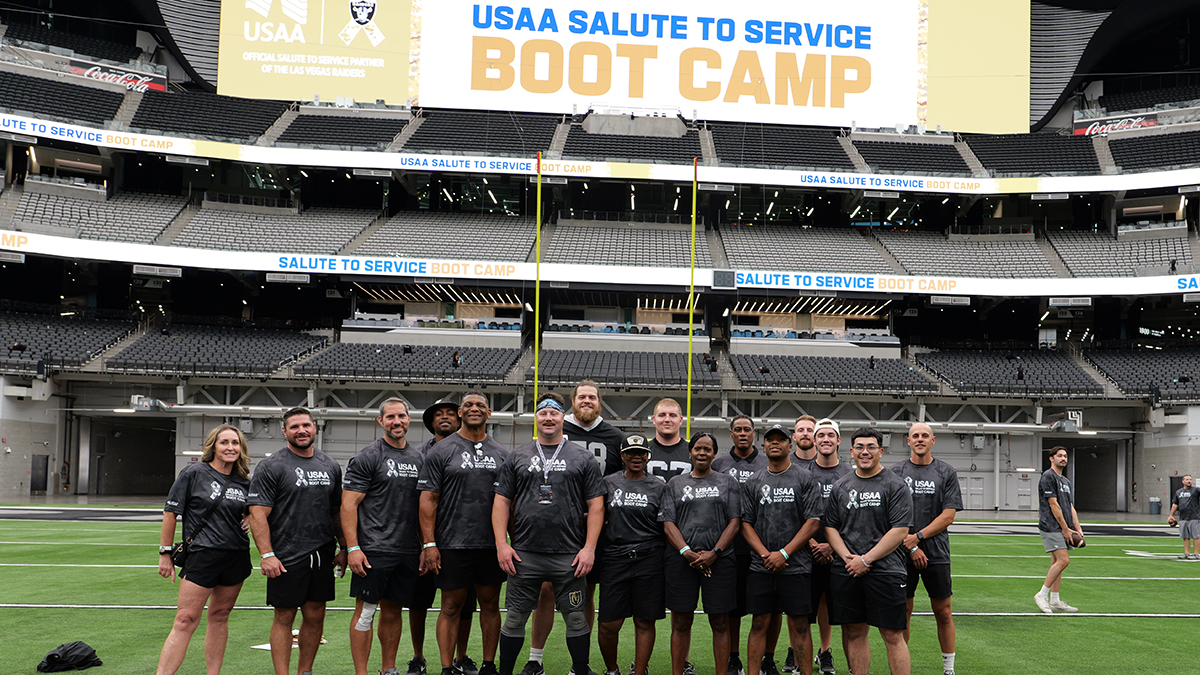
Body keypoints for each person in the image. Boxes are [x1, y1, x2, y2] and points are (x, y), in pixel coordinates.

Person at [493, 392, 605, 675]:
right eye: (542, 413)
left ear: (562, 418)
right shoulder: (517, 456)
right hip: (525, 553)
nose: (548, 417)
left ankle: (581, 669)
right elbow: (501, 502)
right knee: (515, 618)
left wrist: (589, 548)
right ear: (536, 418)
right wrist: (501, 546)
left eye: (554, 413)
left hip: (568, 554)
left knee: (577, 618)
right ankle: (505, 671)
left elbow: (596, 506)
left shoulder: (583, 458)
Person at [525, 380, 626, 675]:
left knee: (585, 593)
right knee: (545, 590)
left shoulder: (615, 437)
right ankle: (536, 658)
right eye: (581, 397)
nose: (586, 401)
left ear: (599, 402)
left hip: (594, 526)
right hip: (554, 524)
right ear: (572, 401)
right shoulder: (555, 428)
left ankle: (578, 664)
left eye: (592, 397)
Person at [248, 407, 347, 675]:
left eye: (305, 425)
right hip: (286, 554)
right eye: (294, 427)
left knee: (316, 615)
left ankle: (306, 672)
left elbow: (336, 511)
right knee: (284, 616)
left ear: (315, 427)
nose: (301, 431)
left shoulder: (330, 465)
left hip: (322, 553)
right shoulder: (272, 466)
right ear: (284, 431)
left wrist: (344, 546)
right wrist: (267, 554)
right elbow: (257, 513)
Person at [420, 391, 510, 675]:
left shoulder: (502, 454)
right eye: (468, 405)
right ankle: (447, 667)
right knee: (450, 606)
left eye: (480, 405)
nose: (474, 409)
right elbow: (428, 500)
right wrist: (430, 544)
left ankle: (488, 665)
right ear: (460, 412)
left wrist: (509, 543)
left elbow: (509, 503)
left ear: (489, 413)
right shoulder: (441, 450)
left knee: (490, 605)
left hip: (490, 544)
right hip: (452, 543)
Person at [156, 424, 252, 675]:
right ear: (213, 446)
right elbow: (170, 513)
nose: (230, 447)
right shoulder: (194, 473)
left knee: (220, 616)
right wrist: (165, 553)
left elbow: (260, 510)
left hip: (236, 556)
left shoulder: (244, 482)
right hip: (202, 556)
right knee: (185, 619)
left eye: (235, 443)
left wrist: (251, 516)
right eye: (224, 442)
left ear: (241, 448)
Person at [342, 398, 425, 675]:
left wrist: (425, 546)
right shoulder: (368, 456)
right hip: (374, 549)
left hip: (407, 549)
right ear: (380, 421)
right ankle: (361, 672)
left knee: (394, 611)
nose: (396, 422)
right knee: (366, 611)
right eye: (390, 417)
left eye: (401, 416)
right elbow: (348, 505)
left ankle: (388, 668)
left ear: (409, 419)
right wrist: (353, 548)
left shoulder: (418, 458)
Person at [823, 428, 913, 675]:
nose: (865, 452)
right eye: (860, 447)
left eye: (871, 447)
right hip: (848, 570)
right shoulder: (840, 486)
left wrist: (866, 559)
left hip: (886, 571)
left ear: (881, 451)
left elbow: (900, 529)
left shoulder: (895, 484)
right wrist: (847, 558)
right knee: (854, 631)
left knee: (893, 635)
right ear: (851, 452)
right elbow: (830, 527)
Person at [741, 424, 823, 675]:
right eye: (770, 440)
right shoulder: (753, 480)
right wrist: (766, 555)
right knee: (759, 623)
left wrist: (784, 553)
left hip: (796, 566)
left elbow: (812, 522)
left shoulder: (805, 478)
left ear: (791, 445)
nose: (774, 443)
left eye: (781, 439)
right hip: (761, 566)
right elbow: (745, 524)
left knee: (800, 624)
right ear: (763, 446)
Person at [659, 432, 741, 675]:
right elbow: (668, 522)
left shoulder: (728, 483)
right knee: (681, 622)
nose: (702, 453)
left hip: (720, 561)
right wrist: (687, 552)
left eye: (707, 449)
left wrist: (714, 553)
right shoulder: (675, 483)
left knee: (719, 622)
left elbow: (735, 522)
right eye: (697, 448)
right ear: (690, 452)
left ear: (714, 453)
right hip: (681, 561)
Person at [889, 423, 962, 675]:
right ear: (908, 441)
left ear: (933, 440)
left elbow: (949, 515)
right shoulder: (895, 472)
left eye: (924, 436)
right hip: (900, 554)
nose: (920, 439)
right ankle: (902, 668)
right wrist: (909, 546)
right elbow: (889, 516)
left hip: (936, 552)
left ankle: (949, 669)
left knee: (943, 611)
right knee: (903, 612)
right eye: (915, 436)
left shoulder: (946, 472)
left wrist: (917, 537)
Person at [597, 433, 669, 675]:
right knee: (609, 624)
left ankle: (639, 671)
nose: (636, 457)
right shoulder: (608, 482)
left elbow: (666, 525)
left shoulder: (659, 486)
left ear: (648, 456)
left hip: (649, 557)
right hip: (615, 557)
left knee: (644, 621)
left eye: (641, 453)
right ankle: (612, 670)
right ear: (622, 455)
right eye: (631, 453)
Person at [416, 397, 478, 675]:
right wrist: (423, 543)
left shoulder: (479, 451)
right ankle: (418, 658)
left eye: (450, 413)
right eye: (438, 414)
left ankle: (461, 657)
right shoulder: (417, 454)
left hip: (464, 543)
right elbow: (419, 502)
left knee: (464, 604)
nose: (445, 417)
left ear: (461, 417)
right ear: (430, 422)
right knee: (419, 601)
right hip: (425, 542)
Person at [713, 415, 774, 675]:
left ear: (754, 434)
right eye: (737, 429)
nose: (742, 433)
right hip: (731, 547)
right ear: (731, 433)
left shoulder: (766, 461)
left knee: (769, 609)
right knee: (733, 609)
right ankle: (734, 657)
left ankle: (768, 658)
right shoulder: (719, 463)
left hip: (763, 544)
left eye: (747, 429)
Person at [805, 419, 850, 675]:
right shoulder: (801, 472)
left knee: (840, 612)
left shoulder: (849, 473)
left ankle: (825, 651)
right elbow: (796, 513)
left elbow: (854, 517)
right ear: (814, 440)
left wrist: (832, 547)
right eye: (820, 435)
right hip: (806, 550)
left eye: (830, 435)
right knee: (801, 610)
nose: (825, 439)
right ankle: (798, 654)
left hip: (839, 553)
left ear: (838, 440)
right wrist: (812, 543)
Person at [785, 414, 818, 673]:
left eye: (810, 429)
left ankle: (824, 651)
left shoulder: (828, 465)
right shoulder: (781, 464)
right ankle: (790, 651)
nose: (805, 433)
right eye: (801, 430)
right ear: (793, 437)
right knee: (789, 609)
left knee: (824, 604)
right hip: (793, 551)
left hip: (828, 548)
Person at [1034, 446, 1083, 614]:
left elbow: (1070, 506)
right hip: (1051, 526)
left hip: (1064, 527)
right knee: (1064, 561)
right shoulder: (1048, 477)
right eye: (1059, 456)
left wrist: (1077, 528)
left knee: (1057, 563)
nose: (1063, 458)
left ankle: (1055, 600)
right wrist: (1065, 529)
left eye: (1065, 456)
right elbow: (1053, 504)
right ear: (1051, 458)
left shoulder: (1065, 481)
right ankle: (1042, 594)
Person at [647, 398, 692, 480]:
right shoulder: (643, 451)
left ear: (680, 420)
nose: (667, 420)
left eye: (672, 415)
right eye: (662, 415)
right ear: (654, 420)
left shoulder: (693, 452)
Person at [1167, 474, 1200, 560]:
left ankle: (1196, 554)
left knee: (1196, 536)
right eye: (1187, 479)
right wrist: (1171, 515)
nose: (1189, 481)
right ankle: (1186, 553)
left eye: (1190, 479)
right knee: (1185, 536)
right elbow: (1175, 504)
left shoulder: (1196, 490)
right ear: (1183, 481)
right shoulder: (1179, 492)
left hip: (1194, 516)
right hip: (1183, 517)